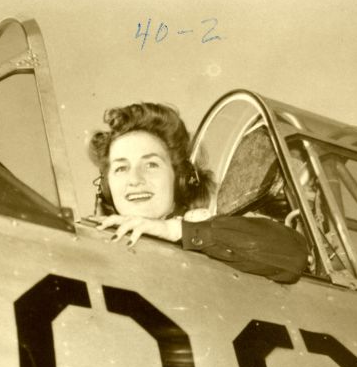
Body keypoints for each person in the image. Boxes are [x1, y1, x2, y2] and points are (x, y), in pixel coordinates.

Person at [87, 102, 309, 283]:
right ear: (107, 188)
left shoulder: (213, 235)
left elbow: (294, 253)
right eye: (121, 168)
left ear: (180, 178)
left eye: (151, 165)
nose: (135, 180)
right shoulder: (92, 247)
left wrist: (177, 231)